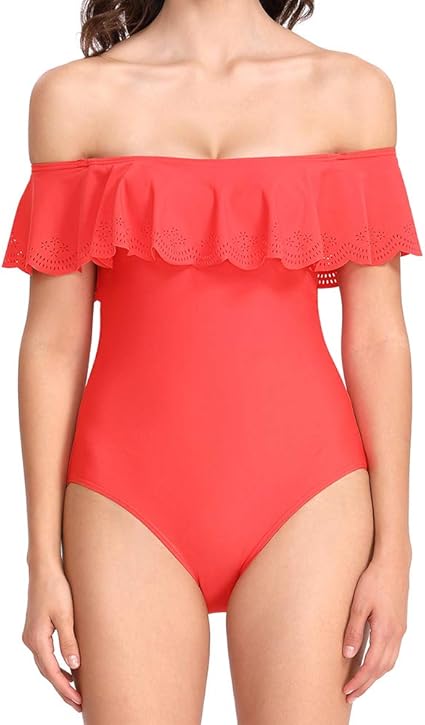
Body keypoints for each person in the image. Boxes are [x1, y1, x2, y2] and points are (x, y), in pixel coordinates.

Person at [2, 1, 422, 723]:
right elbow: (52, 343)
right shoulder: (72, 99)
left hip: (310, 496)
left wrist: (396, 549)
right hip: (122, 499)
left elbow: (378, 337)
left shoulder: (352, 92)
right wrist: (41, 556)